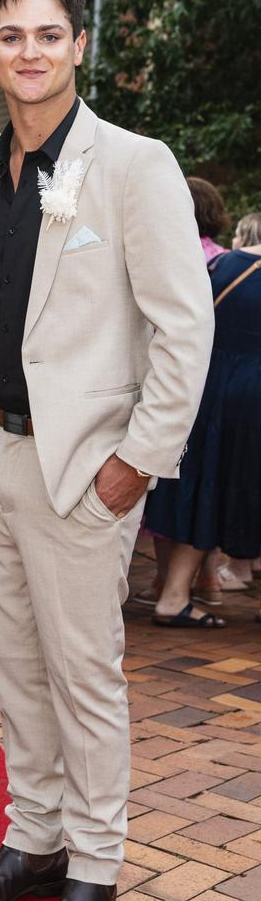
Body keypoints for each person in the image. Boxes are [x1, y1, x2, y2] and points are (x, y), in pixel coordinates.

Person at [0, 0, 213, 901]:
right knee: (14, 666)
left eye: (49, 34)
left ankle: (94, 865)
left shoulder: (136, 164)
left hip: (86, 468)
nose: (30, 53)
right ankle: (34, 838)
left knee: (84, 672)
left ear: (80, 44)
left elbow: (184, 330)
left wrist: (137, 461)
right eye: (12, 36)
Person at [145, 212, 261, 627]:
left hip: (211, 388)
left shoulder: (221, 264)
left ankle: (173, 595)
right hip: (255, 394)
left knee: (206, 487)